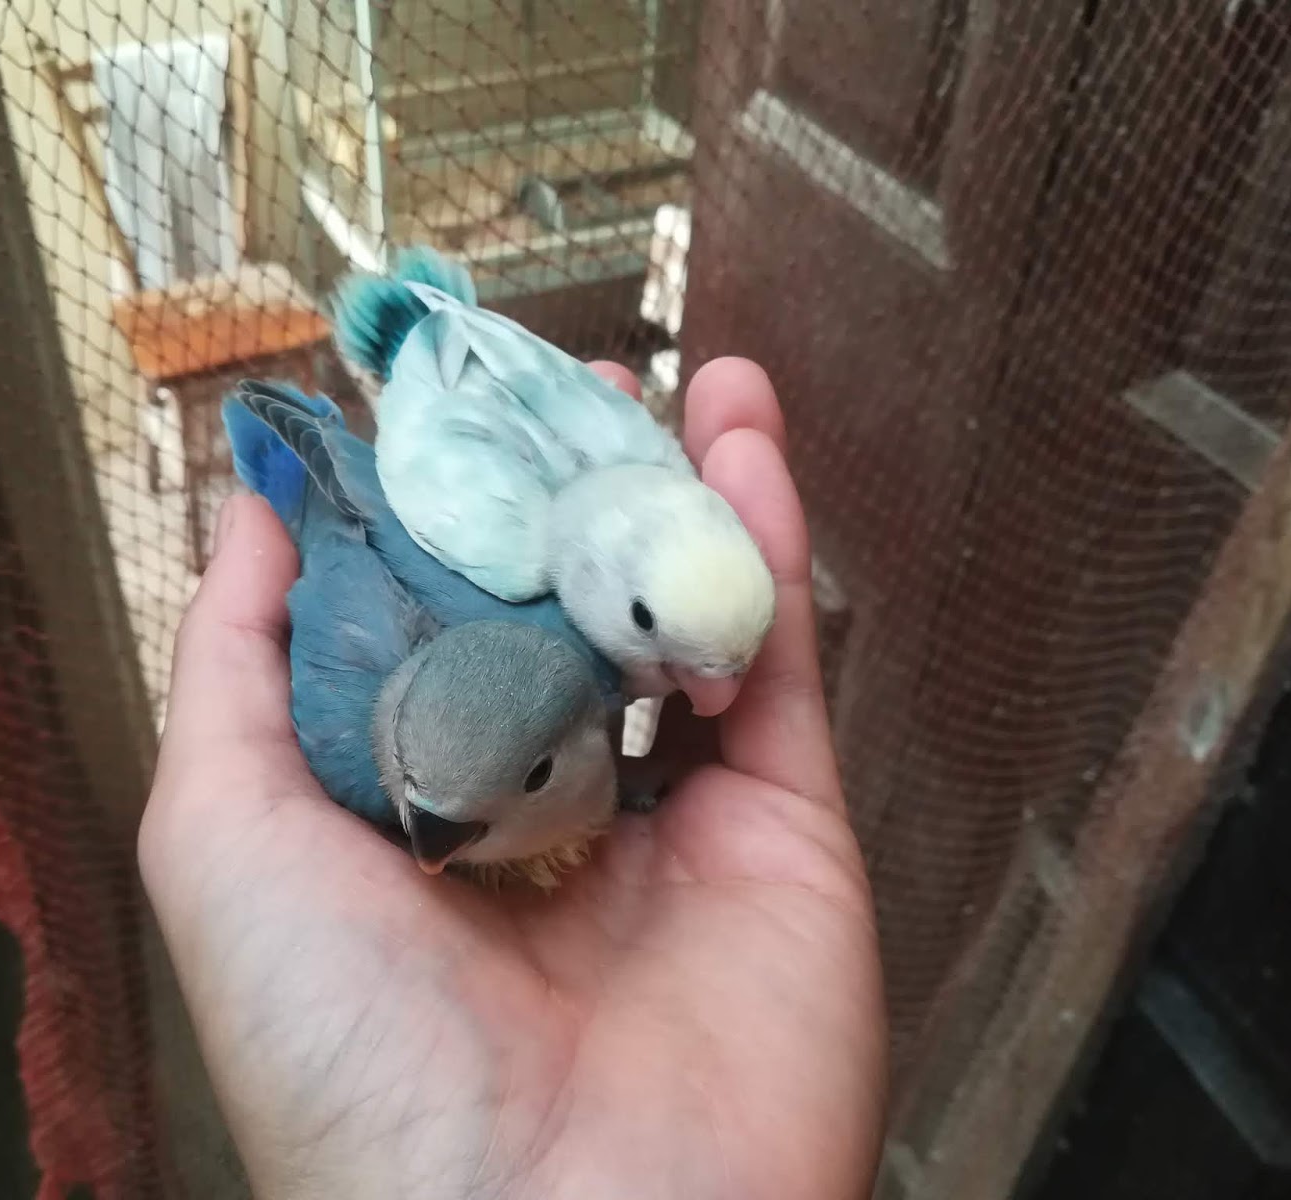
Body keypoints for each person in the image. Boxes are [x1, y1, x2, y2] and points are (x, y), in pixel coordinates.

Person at [139, 357, 888, 1199]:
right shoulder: (360, 762)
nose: (428, 846)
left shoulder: (592, 650)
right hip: (338, 525)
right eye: (414, 794)